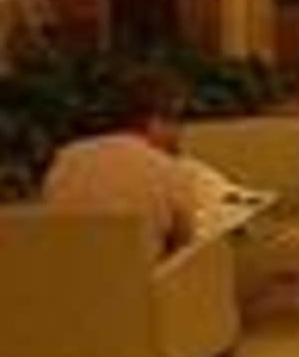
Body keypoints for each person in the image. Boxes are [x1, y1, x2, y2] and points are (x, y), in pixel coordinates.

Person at [41, 66, 197, 259]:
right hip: (136, 274)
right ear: (155, 121)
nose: (179, 134)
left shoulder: (68, 158)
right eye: (177, 122)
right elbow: (186, 245)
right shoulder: (165, 168)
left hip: (69, 271)